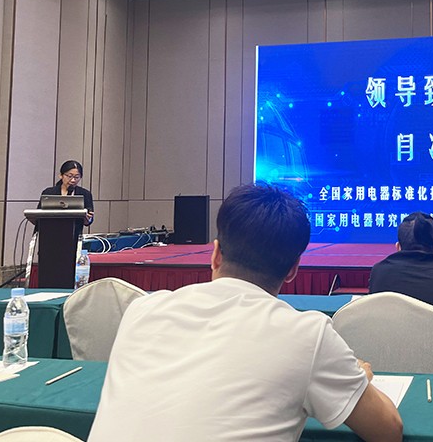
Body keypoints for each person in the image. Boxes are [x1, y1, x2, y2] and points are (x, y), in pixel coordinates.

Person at [88, 183, 402, 442]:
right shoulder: (308, 335)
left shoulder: (142, 310)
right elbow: (388, 431)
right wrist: (359, 379)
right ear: (293, 269)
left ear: (215, 254)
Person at [39, 160, 94, 236]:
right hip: (50, 234)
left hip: (74, 235)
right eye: (69, 176)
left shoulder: (85, 194)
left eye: (76, 177)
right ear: (61, 175)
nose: (73, 180)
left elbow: (88, 222)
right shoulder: (49, 192)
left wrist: (87, 218)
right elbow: (38, 215)